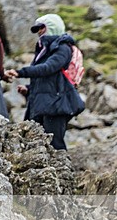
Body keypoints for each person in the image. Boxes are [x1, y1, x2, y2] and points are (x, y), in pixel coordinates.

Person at [5, 14, 84, 150]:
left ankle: (62, 171)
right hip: (45, 103)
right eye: (37, 29)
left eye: (42, 28)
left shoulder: (62, 48)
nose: (39, 32)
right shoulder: (44, 50)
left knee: (54, 144)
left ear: (53, 27)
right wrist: (29, 89)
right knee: (34, 142)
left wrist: (21, 72)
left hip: (56, 105)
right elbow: (48, 80)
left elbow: (48, 68)